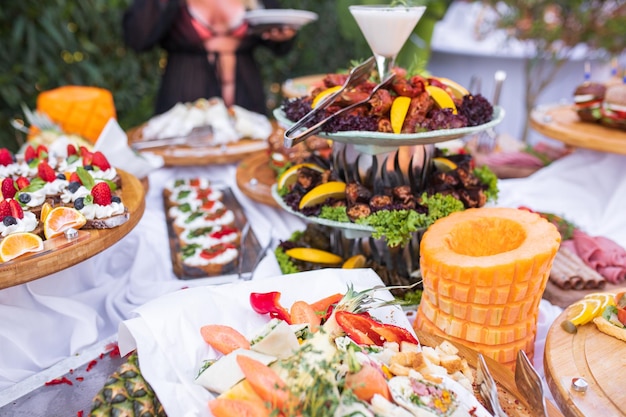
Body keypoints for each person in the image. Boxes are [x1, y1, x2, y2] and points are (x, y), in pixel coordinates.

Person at [123, 0, 297, 116]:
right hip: (183, 110)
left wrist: (283, 36)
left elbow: (280, 43)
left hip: (247, 107)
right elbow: (137, 38)